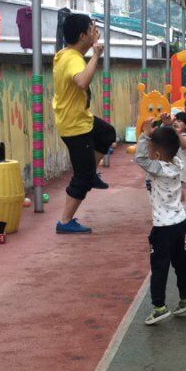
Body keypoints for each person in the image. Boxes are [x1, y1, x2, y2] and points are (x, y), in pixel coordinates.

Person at [52, 13, 116, 234]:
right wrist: (96, 54)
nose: (95, 33)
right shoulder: (73, 59)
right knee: (82, 177)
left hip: (80, 119)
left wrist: (92, 48)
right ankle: (65, 221)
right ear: (82, 35)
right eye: (91, 30)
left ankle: (91, 173)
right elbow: (82, 81)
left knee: (107, 133)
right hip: (74, 126)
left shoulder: (67, 54)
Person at [134, 125, 186, 325]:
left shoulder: (159, 168)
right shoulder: (177, 162)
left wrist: (144, 136)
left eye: (151, 150)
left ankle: (159, 307)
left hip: (163, 229)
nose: (148, 153)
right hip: (181, 223)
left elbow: (140, 158)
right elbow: (171, 146)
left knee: (159, 267)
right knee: (182, 263)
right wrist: (166, 127)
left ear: (157, 155)